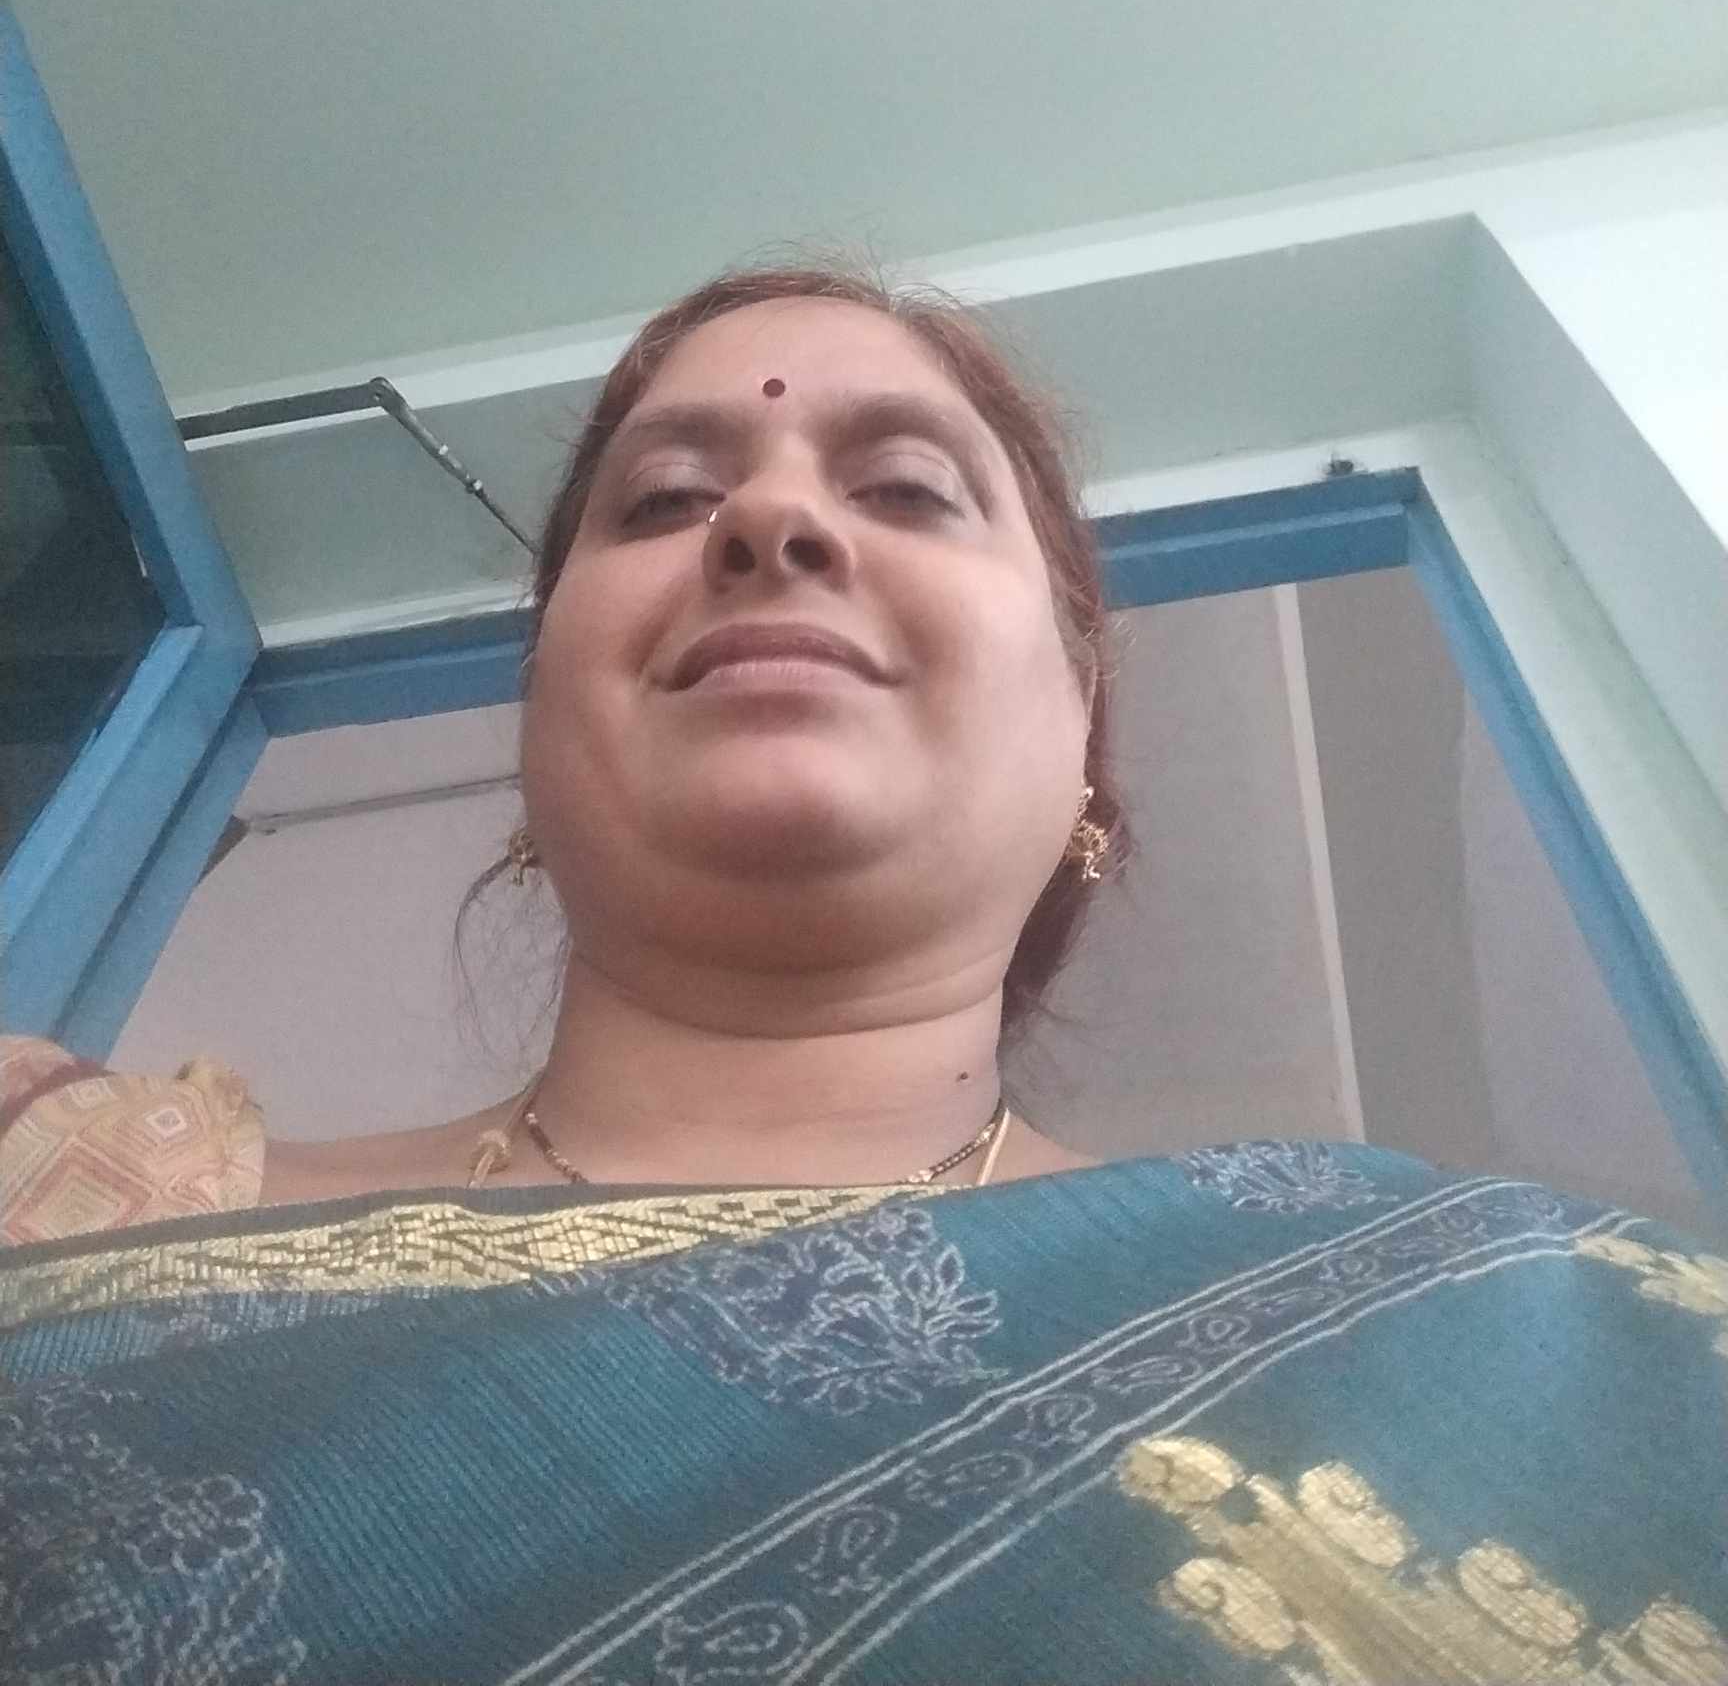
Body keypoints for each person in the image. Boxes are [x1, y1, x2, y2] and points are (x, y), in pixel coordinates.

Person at [3, 260, 1725, 1686]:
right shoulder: (65, 1186)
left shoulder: (1484, 1327)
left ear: (1084, 740)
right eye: (663, 501)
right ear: (535, 731)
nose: (768, 517)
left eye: (905, 489)